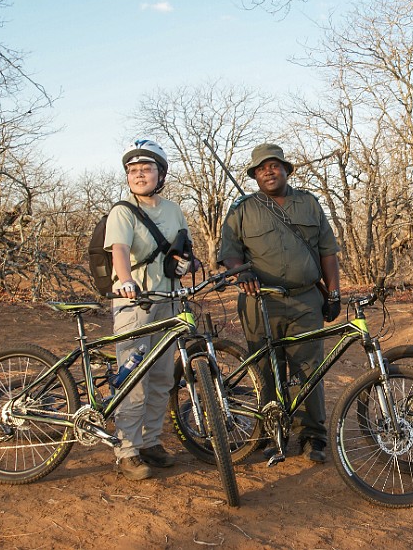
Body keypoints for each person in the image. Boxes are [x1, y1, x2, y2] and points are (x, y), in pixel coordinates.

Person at [218, 143, 341, 463]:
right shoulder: (242, 209)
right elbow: (229, 252)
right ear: (255, 175)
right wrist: (240, 273)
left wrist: (334, 293)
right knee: (265, 370)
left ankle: (312, 434)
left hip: (305, 299)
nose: (268, 172)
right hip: (260, 302)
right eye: (261, 168)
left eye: (274, 166)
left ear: (286, 170)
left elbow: (328, 251)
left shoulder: (309, 204)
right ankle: (271, 432)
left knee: (308, 368)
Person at [105, 139, 196, 480]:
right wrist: (126, 281)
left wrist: (188, 264)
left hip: (169, 301)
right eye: (132, 170)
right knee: (132, 377)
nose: (138, 175)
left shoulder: (173, 209)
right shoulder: (123, 210)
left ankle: (151, 442)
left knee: (160, 377)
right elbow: (119, 250)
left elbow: (184, 249)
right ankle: (126, 449)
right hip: (136, 302)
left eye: (146, 169)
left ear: (161, 173)